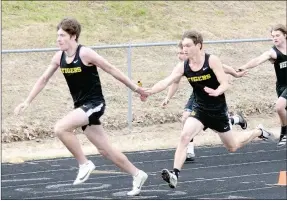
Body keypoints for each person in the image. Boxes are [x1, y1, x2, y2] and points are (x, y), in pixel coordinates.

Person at [14, 17, 148, 196]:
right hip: (81, 106)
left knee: (61, 128)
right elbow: (43, 79)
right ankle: (137, 174)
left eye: (62, 35)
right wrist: (27, 101)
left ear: (73, 36)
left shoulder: (85, 54)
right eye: (57, 35)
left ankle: (84, 163)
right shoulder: (58, 57)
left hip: (94, 104)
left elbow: (111, 69)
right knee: (105, 150)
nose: (58, 39)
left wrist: (137, 89)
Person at [143, 30, 275, 189]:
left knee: (232, 146)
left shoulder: (211, 60)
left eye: (188, 45)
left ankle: (257, 131)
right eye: (183, 46)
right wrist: (149, 91)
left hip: (218, 111)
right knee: (185, 136)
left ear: (198, 46)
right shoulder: (183, 66)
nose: (184, 49)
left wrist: (218, 91)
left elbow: (224, 82)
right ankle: (175, 174)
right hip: (200, 110)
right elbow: (166, 81)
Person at [162, 41, 248, 162]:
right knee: (190, 119)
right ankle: (190, 149)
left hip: (211, 94)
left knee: (196, 119)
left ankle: (235, 120)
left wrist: (236, 74)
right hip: (197, 94)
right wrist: (168, 98)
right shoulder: (181, 66)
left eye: (182, 52)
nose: (180, 55)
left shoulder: (204, 61)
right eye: (179, 53)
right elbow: (174, 82)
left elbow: (224, 67)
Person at [238, 24, 287, 147]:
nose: (275, 38)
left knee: (279, 107)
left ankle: (285, 133)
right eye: (273, 36)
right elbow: (258, 60)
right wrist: (244, 66)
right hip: (281, 86)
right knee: (283, 111)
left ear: (285, 35)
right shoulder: (273, 53)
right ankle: (283, 133)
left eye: (278, 35)